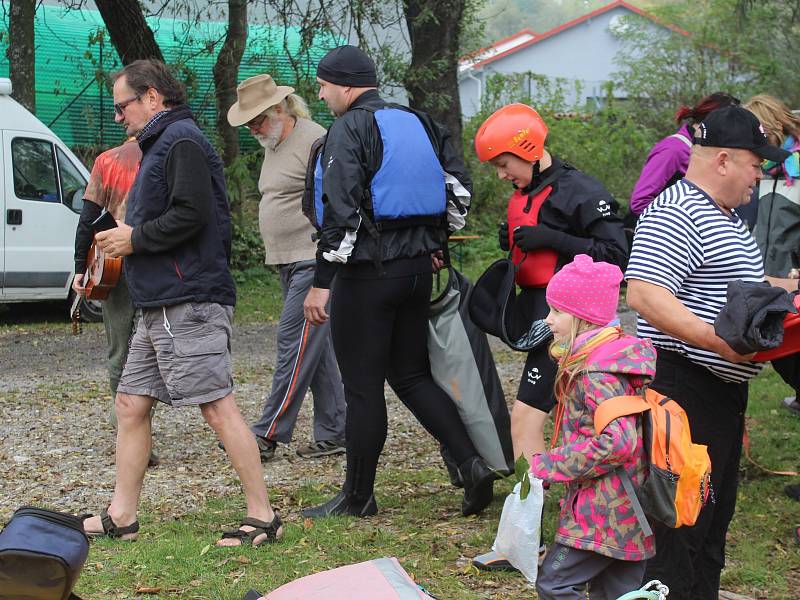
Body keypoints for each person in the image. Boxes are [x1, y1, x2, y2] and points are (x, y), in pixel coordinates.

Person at [83, 59, 282, 547]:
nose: (118, 117)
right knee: (130, 405)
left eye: (121, 106)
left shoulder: (182, 141)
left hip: (188, 300)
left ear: (153, 98)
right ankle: (121, 516)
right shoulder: (161, 144)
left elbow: (192, 215)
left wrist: (134, 239)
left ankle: (263, 516)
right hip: (160, 304)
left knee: (216, 406)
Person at [301, 45, 493, 519]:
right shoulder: (421, 121)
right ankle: (472, 464)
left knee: (362, 388)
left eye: (324, 86)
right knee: (410, 375)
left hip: (367, 275)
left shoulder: (349, 128)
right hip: (416, 272)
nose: (322, 96)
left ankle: (358, 496)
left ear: (345, 84)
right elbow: (457, 191)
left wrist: (323, 281)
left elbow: (339, 209)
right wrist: (433, 247)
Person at [626, 105, 797, 598]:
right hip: (683, 391)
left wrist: (785, 288)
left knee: (710, 526)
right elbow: (644, 293)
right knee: (679, 531)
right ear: (723, 160)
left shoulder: (722, 215)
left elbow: (736, 285)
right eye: (756, 164)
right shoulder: (677, 210)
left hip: (719, 395)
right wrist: (720, 342)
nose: (761, 174)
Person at [473, 103, 628, 466]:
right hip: (538, 313)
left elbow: (617, 255)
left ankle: (530, 504)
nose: (500, 176)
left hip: (569, 323)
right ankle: (551, 491)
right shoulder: (531, 190)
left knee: (526, 417)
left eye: (502, 165)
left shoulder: (582, 191)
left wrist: (554, 240)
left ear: (526, 151)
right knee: (563, 417)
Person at [226, 74, 346, 462]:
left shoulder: (315, 139)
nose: (253, 129)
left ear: (280, 109)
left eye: (257, 120)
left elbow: (336, 201)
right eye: (249, 124)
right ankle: (335, 430)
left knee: (293, 343)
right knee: (316, 349)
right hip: (286, 258)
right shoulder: (274, 142)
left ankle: (268, 432)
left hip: (312, 259)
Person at [532, 254, 656, 600]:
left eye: (557, 311)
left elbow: (618, 443)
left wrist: (550, 465)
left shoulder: (598, 372)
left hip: (604, 508)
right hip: (629, 506)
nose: (548, 320)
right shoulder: (611, 358)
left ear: (583, 318)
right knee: (615, 593)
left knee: (554, 585)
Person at [72, 138, 159, 468]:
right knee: (154, 348)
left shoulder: (108, 161)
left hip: (114, 264)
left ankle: (129, 431)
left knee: (119, 349)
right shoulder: (170, 151)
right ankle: (140, 430)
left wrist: (81, 266)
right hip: (155, 260)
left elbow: (88, 219)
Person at [629, 92, 740, 216]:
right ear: (714, 120)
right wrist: (683, 222)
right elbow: (640, 202)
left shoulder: (707, 151)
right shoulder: (673, 149)